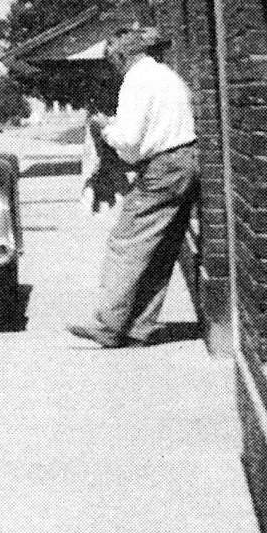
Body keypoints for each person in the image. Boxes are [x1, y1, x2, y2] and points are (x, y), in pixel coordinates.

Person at [69, 26, 199, 349]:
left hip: (163, 168)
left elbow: (129, 144)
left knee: (125, 241)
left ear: (123, 55)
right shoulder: (167, 76)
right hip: (188, 159)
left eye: (113, 59)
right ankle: (139, 326)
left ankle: (108, 324)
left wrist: (105, 128)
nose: (113, 66)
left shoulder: (135, 82)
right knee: (162, 247)